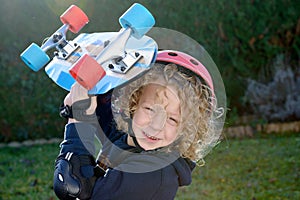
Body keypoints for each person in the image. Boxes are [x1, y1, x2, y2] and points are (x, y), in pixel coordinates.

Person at [53, 50, 224, 200]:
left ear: (186, 129)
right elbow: (104, 108)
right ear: (133, 102)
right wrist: (97, 63)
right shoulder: (129, 141)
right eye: (150, 109)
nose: (156, 126)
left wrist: (77, 116)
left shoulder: (152, 174)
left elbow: (73, 188)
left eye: (172, 120)